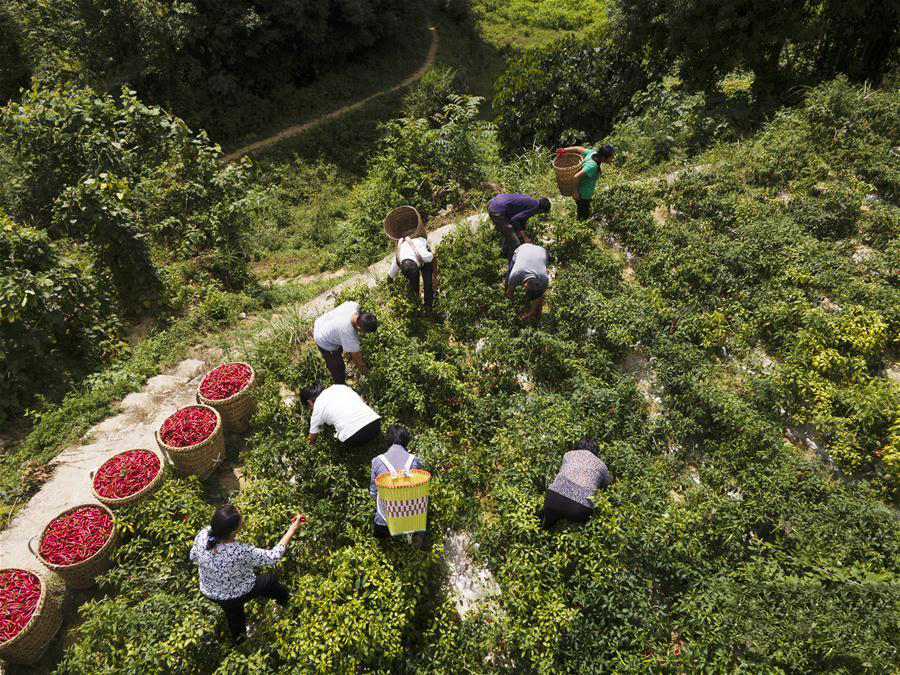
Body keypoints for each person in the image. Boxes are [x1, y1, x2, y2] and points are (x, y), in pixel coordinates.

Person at [190, 504, 307, 642]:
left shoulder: (203, 534)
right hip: (237, 592)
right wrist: (292, 529)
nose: (243, 521)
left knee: (233, 613)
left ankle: (241, 643)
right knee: (268, 581)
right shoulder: (239, 551)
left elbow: (193, 556)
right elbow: (272, 557)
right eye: (241, 521)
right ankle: (288, 602)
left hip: (211, 592)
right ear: (233, 532)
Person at [538, 437, 611, 529]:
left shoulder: (568, 455)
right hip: (579, 508)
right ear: (596, 450)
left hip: (553, 499)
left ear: (579, 445)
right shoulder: (602, 466)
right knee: (582, 526)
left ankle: (543, 530)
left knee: (547, 525)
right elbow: (605, 486)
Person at [369, 425, 424, 539]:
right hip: (412, 520)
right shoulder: (415, 461)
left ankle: (384, 542)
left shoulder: (377, 461)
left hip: (384, 521)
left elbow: (374, 493)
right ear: (406, 440)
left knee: (380, 530)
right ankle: (412, 538)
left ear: (387, 439)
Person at [313, 301, 377, 385]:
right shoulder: (348, 334)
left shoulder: (353, 306)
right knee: (337, 367)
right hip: (322, 338)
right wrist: (371, 379)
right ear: (358, 327)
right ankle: (340, 386)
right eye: (364, 332)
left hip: (322, 322)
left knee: (341, 346)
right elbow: (359, 362)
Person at [302, 382, 381, 447]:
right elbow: (361, 400)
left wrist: (305, 447)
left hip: (355, 438)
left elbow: (311, 439)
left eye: (308, 407)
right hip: (375, 424)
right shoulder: (339, 387)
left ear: (309, 402)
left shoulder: (317, 409)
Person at [559, 144, 614, 221]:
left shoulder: (592, 153)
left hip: (584, 193)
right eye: (611, 157)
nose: (612, 159)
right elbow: (576, 177)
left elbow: (578, 148)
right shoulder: (592, 166)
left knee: (583, 211)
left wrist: (563, 150)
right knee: (583, 217)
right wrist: (575, 192)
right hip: (583, 195)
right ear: (604, 157)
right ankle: (579, 228)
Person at [487, 194, 552, 259]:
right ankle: (512, 265)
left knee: (509, 234)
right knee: (515, 242)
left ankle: (503, 256)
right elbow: (514, 220)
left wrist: (521, 231)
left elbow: (521, 220)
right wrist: (525, 237)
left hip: (492, 202)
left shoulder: (531, 201)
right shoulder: (535, 208)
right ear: (541, 210)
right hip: (497, 209)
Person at [387, 235, 437, 314]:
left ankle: (428, 306)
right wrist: (393, 295)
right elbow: (389, 278)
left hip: (420, 248)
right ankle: (417, 302)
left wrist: (434, 276)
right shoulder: (398, 260)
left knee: (428, 283)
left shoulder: (423, 254)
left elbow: (433, 256)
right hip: (410, 251)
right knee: (414, 285)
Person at [505, 242, 549, 320]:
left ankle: (537, 316)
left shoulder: (544, 279)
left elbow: (539, 296)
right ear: (525, 286)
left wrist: (531, 313)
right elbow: (510, 292)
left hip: (541, 251)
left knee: (538, 299)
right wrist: (513, 310)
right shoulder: (515, 274)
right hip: (522, 248)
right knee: (507, 283)